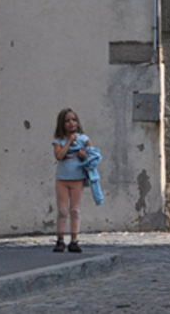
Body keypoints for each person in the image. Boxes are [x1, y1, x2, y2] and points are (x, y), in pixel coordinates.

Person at [52, 108, 92, 253]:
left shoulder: (84, 139)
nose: (71, 123)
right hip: (62, 179)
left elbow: (92, 157)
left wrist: (84, 156)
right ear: (62, 124)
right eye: (67, 121)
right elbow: (59, 156)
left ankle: (74, 241)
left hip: (77, 179)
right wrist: (69, 141)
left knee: (75, 211)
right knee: (63, 211)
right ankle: (60, 240)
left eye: (74, 120)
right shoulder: (59, 141)